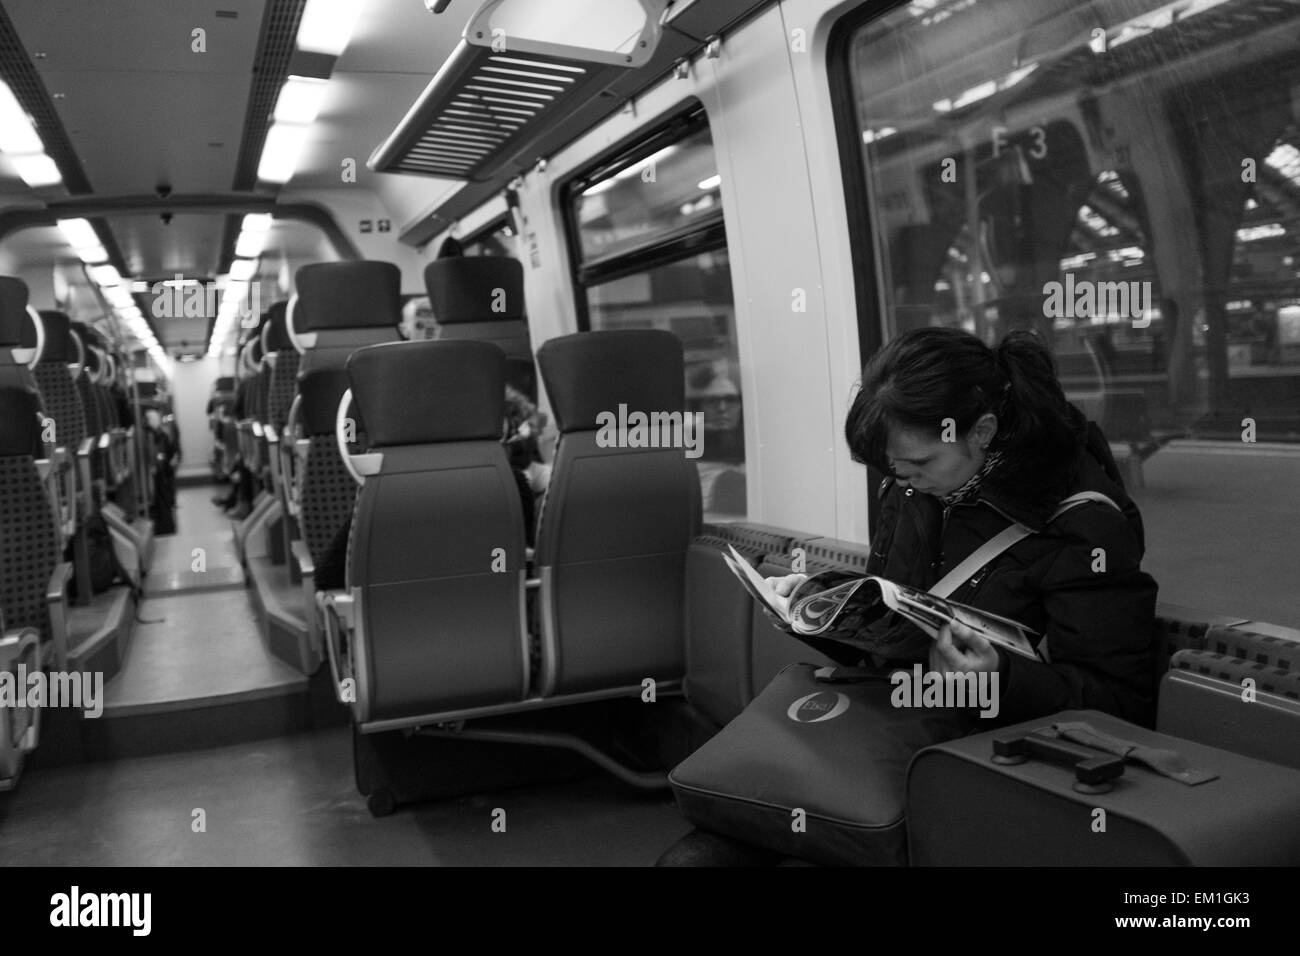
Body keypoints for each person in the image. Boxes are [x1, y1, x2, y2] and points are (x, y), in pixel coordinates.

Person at [657, 326, 1158, 866]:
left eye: (918, 465)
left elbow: (1120, 705)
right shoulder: (915, 488)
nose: (906, 481)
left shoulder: (1082, 524)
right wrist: (818, 604)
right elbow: (896, 613)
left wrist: (998, 682)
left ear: (983, 431)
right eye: (894, 470)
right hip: (895, 727)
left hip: (985, 759)